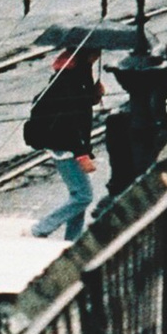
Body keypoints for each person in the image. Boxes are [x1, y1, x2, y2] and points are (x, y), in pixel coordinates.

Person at [27, 33, 105, 236]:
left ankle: (72, 238)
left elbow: (78, 105)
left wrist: (94, 95)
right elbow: (69, 122)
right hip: (66, 147)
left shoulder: (73, 75)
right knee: (83, 197)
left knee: (77, 195)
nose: (97, 57)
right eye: (95, 54)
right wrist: (81, 154)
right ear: (86, 56)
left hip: (65, 144)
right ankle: (41, 228)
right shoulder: (70, 82)